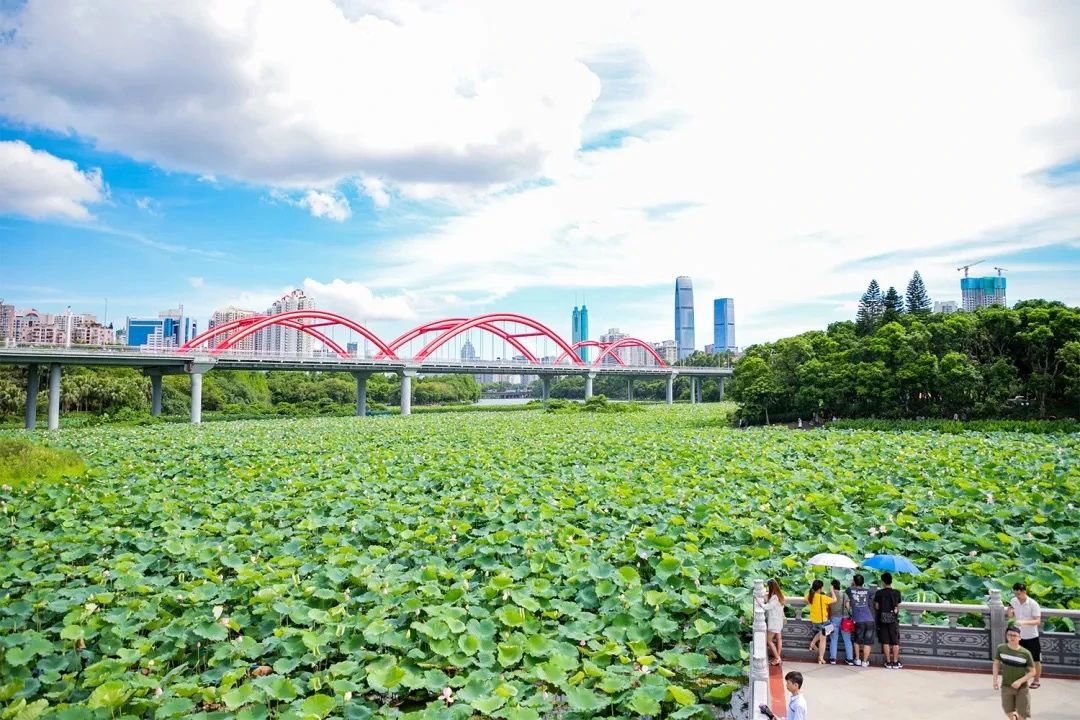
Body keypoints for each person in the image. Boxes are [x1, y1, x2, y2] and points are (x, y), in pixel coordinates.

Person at [993, 625, 1035, 720]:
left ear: (1020, 637)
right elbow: (996, 663)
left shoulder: (1025, 653)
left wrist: (1020, 681)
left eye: (1014, 635)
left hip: (1022, 688)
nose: (1012, 637)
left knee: (1022, 713)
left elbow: (1033, 672)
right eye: (1009, 635)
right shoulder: (1001, 648)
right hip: (1006, 685)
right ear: (1006, 636)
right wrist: (995, 680)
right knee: (1007, 710)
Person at [1006, 582, 1042, 689]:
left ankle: (1036, 680)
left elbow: (1038, 621)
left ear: (1024, 592)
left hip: (1031, 636)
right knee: (1017, 658)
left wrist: (1024, 623)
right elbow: (1011, 616)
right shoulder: (1013, 601)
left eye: (1018, 594)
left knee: (1035, 660)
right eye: (1015, 594)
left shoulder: (1033, 604)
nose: (1017, 596)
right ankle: (1019, 680)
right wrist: (1009, 613)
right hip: (1018, 635)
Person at [873, 572, 902, 669]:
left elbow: (877, 607)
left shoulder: (879, 593)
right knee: (895, 641)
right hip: (893, 619)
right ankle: (896, 661)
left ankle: (888, 662)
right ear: (891, 581)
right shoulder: (897, 593)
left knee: (885, 641)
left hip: (883, 620)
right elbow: (897, 606)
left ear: (883, 582)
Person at [846, 574, 876, 666]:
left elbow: (847, 594)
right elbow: (873, 593)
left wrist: (853, 585)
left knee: (857, 641)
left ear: (854, 582)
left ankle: (857, 659)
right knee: (868, 642)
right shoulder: (868, 591)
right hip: (870, 620)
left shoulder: (850, 590)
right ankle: (865, 661)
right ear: (863, 582)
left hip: (858, 620)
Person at [756, 579, 786, 665]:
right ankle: (777, 658)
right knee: (779, 639)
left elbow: (768, 607)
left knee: (769, 640)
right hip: (779, 621)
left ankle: (777, 658)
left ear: (771, 587)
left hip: (774, 622)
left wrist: (760, 603)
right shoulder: (779, 596)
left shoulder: (774, 597)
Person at [827, 579, 855, 665]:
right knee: (847, 639)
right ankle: (850, 659)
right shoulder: (844, 594)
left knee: (833, 639)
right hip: (845, 619)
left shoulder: (828, 594)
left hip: (833, 618)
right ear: (839, 586)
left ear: (832, 586)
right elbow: (848, 607)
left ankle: (833, 659)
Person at [805, 579, 833, 664]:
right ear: (820, 588)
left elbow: (806, 600)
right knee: (823, 639)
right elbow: (834, 600)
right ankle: (821, 658)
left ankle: (812, 644)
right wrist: (832, 591)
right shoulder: (823, 597)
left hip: (815, 621)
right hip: (823, 621)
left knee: (822, 632)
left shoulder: (810, 596)